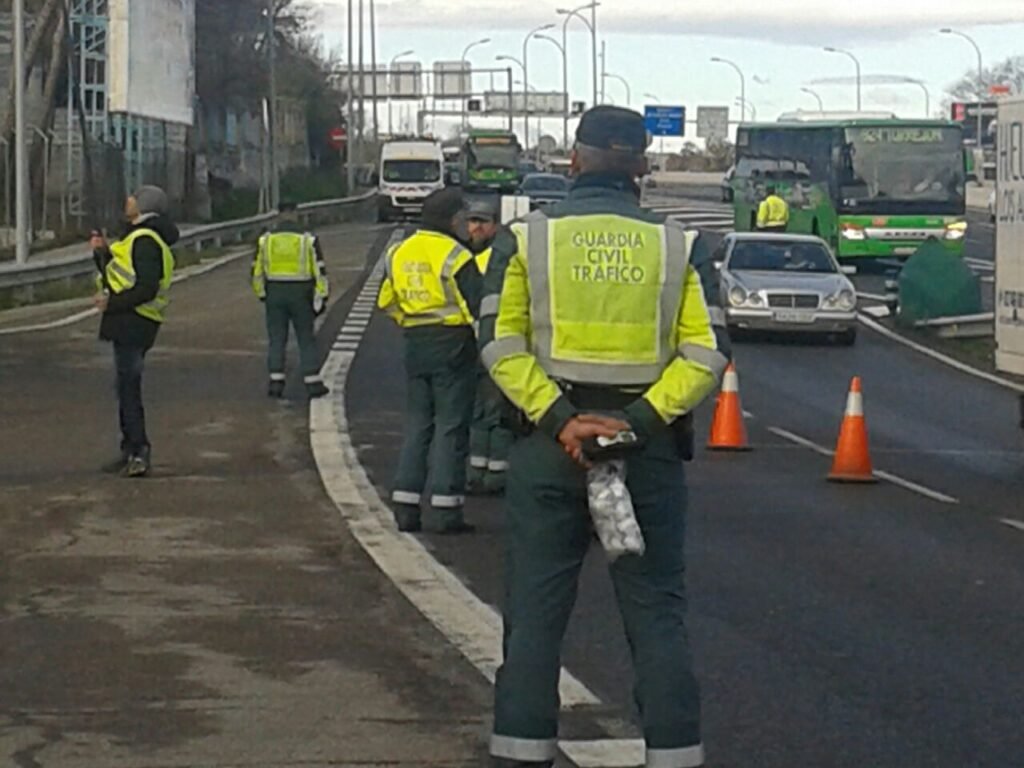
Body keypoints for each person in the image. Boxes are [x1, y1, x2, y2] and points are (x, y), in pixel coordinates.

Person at [478, 106, 731, 768]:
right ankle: (674, 756)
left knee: (534, 617)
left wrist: (561, 419)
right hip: (643, 455)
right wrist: (636, 424)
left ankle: (520, 752)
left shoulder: (526, 239)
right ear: (643, 168)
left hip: (548, 450)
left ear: (574, 162)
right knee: (656, 618)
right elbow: (708, 354)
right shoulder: (680, 245)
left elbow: (498, 343)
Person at [377, 188, 482, 534]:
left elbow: (386, 301)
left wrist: (410, 320)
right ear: (453, 220)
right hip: (454, 343)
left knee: (419, 423)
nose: (469, 227)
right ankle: (446, 510)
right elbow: (477, 311)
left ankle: (406, 506)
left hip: (416, 342)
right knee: (451, 426)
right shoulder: (457, 256)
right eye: (465, 220)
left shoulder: (398, 252)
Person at [92, 186, 178, 478]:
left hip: (134, 321)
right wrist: (101, 254)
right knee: (125, 388)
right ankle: (129, 448)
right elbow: (117, 274)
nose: (127, 200)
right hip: (129, 321)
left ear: (143, 205)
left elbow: (145, 287)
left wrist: (111, 303)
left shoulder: (145, 240)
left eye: (132, 196)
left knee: (129, 389)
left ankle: (138, 451)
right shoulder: (137, 237)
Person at [252, 201, 330, 399]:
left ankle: (276, 382)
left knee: (277, 338)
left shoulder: (265, 240)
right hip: (301, 293)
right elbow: (319, 270)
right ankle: (312, 383)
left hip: (274, 292)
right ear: (296, 213)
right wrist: (321, 297)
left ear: (278, 215)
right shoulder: (307, 239)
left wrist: (262, 294)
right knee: (305, 337)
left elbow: (257, 271)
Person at [465, 200, 513, 495]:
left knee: (492, 411)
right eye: (473, 221)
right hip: (477, 345)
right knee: (485, 412)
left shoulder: (496, 259)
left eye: (483, 222)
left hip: (495, 344)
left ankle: (491, 473)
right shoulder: (472, 259)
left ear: (495, 225)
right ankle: (484, 471)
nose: (477, 227)